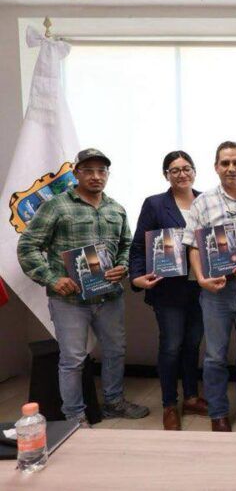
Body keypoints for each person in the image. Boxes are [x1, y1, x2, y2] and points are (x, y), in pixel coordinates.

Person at [17, 148, 149, 427]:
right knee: (73, 360)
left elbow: (126, 245)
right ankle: (75, 417)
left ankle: (113, 403)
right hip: (70, 301)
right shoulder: (56, 206)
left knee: (115, 352)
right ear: (76, 173)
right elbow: (28, 246)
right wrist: (52, 279)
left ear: (108, 175)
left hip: (109, 297)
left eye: (102, 171)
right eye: (88, 170)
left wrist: (123, 266)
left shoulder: (116, 209)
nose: (96, 176)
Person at [182, 141, 236, 432]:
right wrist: (201, 278)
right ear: (216, 167)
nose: (231, 168)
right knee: (215, 355)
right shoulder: (203, 202)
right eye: (225, 163)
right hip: (217, 290)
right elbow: (193, 246)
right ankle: (218, 412)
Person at [129, 150, 208, 430]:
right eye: (175, 170)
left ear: (195, 171)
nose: (182, 174)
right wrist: (136, 277)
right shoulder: (154, 204)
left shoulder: (207, 200)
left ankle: (192, 397)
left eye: (187, 168)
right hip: (168, 290)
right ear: (166, 175)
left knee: (193, 344)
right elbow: (139, 246)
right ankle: (169, 404)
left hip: (201, 288)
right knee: (171, 346)